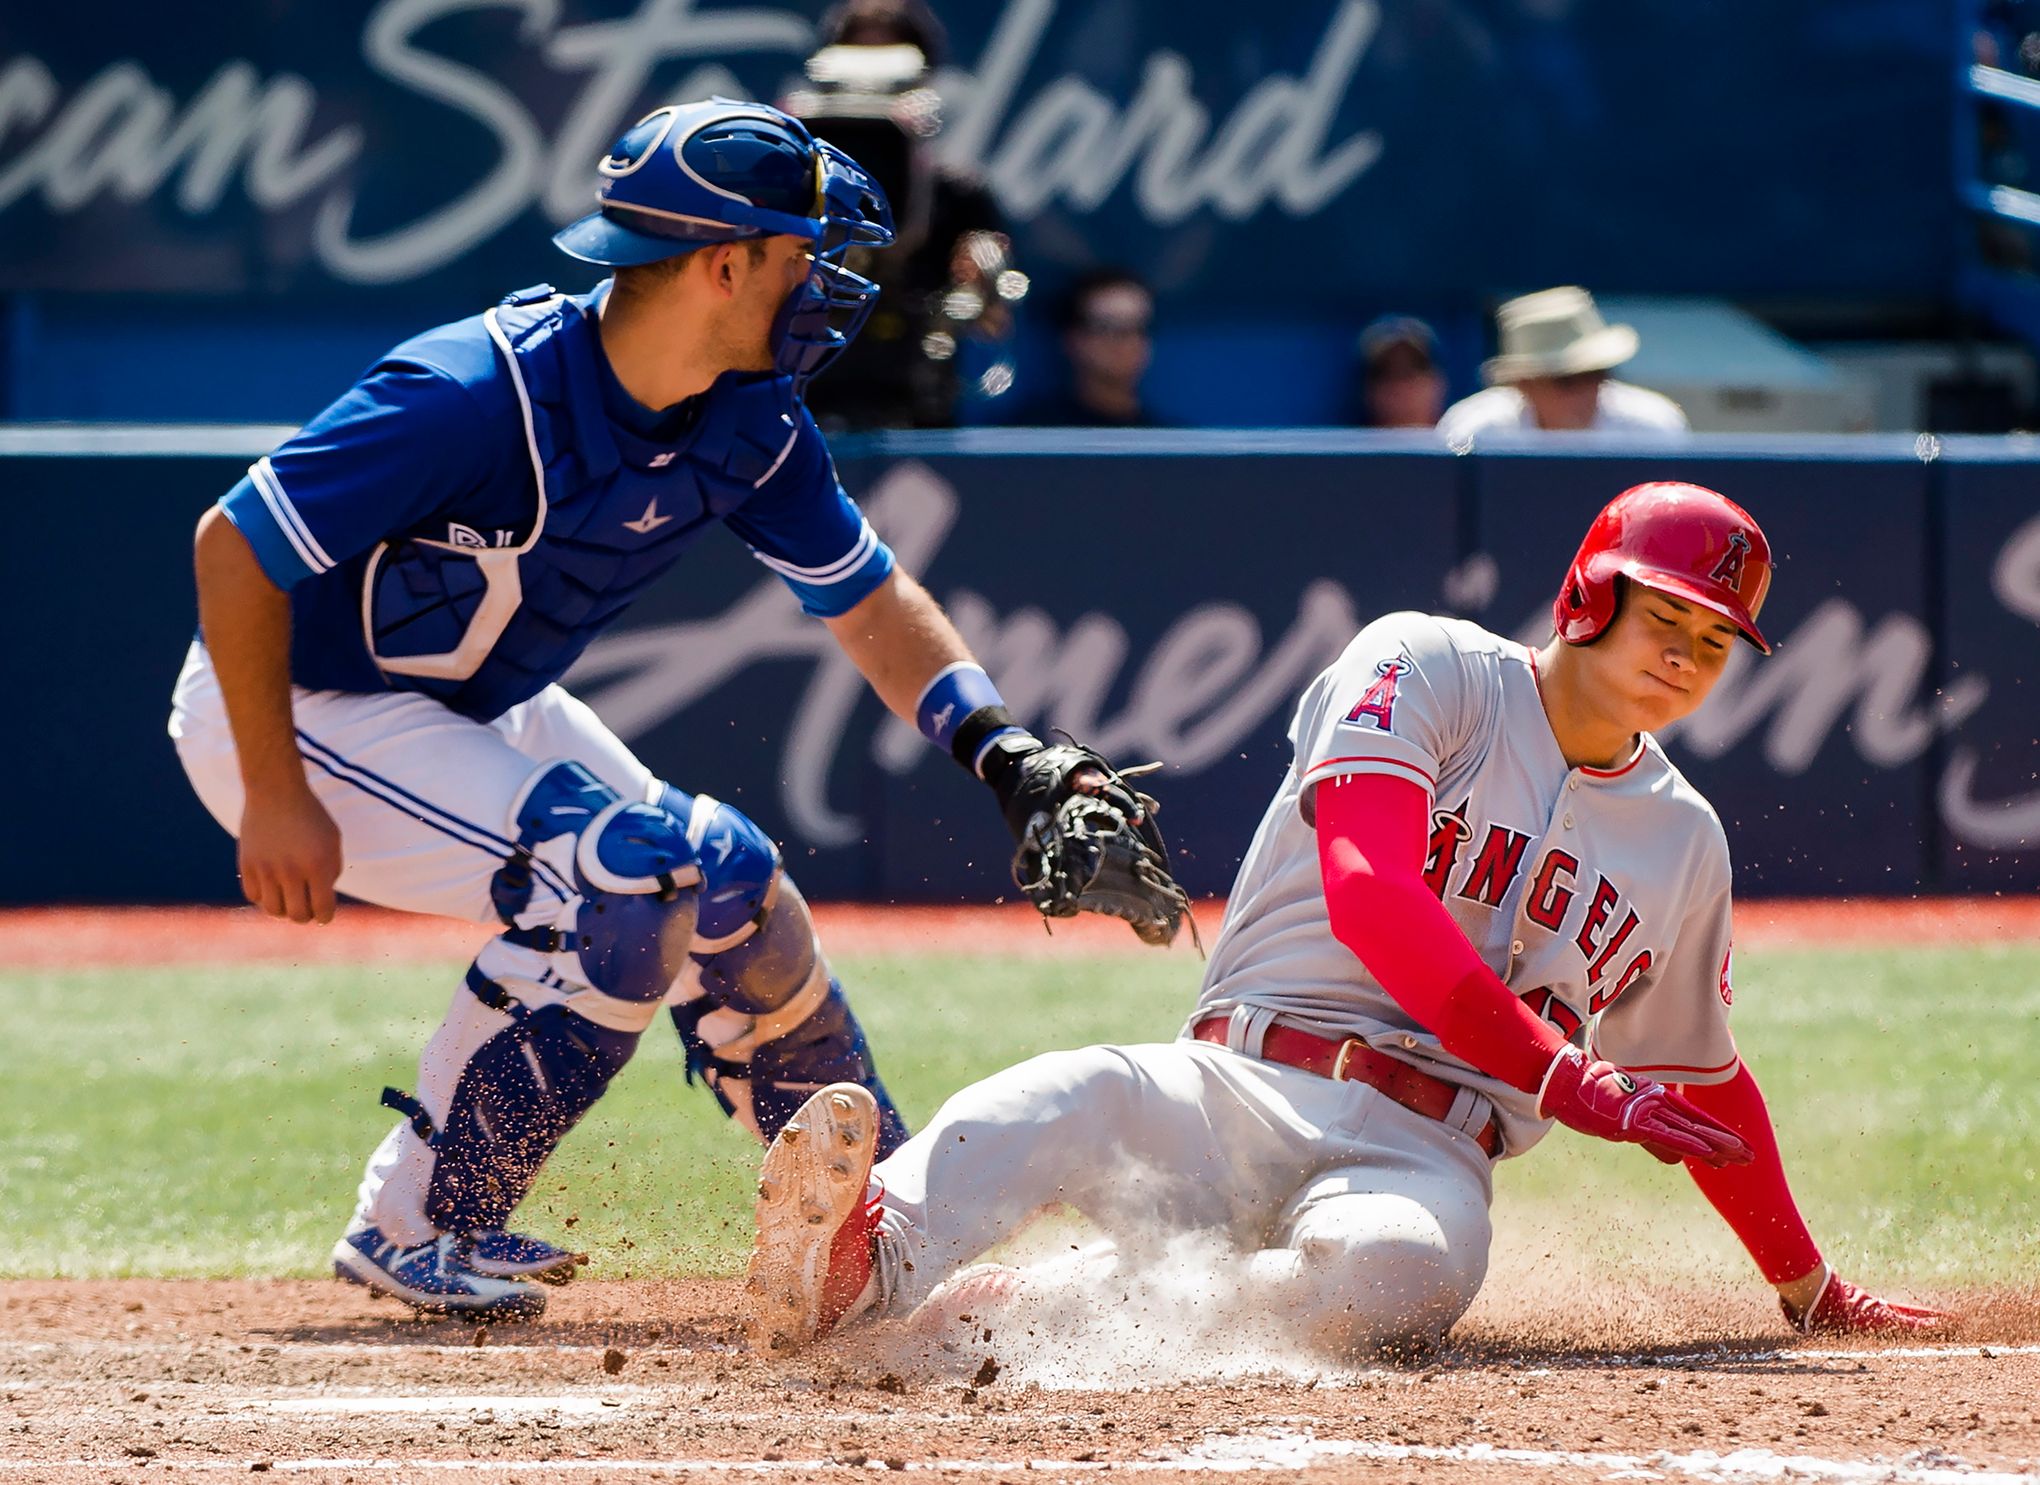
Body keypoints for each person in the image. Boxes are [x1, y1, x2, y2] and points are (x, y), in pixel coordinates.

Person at [169, 100, 1157, 1321]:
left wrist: (1006, 755)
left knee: (730, 879)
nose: (827, 284)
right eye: (802, 256)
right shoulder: (473, 391)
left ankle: (882, 1229)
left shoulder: (749, 414)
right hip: (294, 707)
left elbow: (868, 603)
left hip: (469, 706)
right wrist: (274, 792)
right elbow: (234, 546)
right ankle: (417, 1224)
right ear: (721, 262)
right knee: (624, 875)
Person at [742, 484, 1949, 1358]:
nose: (1687, 657)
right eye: (1665, 621)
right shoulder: (1429, 667)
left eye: (1715, 642)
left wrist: (1810, 1287)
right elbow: (1375, 895)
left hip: (1425, 1157)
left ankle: (1048, 1315)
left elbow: (1706, 1083)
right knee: (1066, 1098)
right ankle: (863, 1268)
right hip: (1238, 1085)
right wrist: (1570, 1080)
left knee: (1397, 1277)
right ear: (1589, 596)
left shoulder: (1683, 843)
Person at [787, 0, 1027, 430]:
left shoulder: (959, 198)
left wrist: (976, 280)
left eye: (889, 88)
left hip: (914, 404)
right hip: (798, 395)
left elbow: (993, 321)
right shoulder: (787, 185)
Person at [1437, 287, 1687, 442]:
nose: (1588, 390)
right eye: (1566, 380)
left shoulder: (1654, 428)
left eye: (1597, 373)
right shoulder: (1474, 431)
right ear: (1524, 384)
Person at [1010, 268, 1160, 428]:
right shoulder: (1030, 433)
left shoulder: (1168, 440)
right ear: (1073, 339)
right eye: (1107, 327)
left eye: (1137, 328)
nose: (1126, 342)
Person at [1353, 315, 1447, 429]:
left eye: (1414, 370)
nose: (1401, 387)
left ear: (1439, 382)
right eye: (1385, 372)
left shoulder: (1467, 443)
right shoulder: (1344, 446)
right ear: (1367, 391)